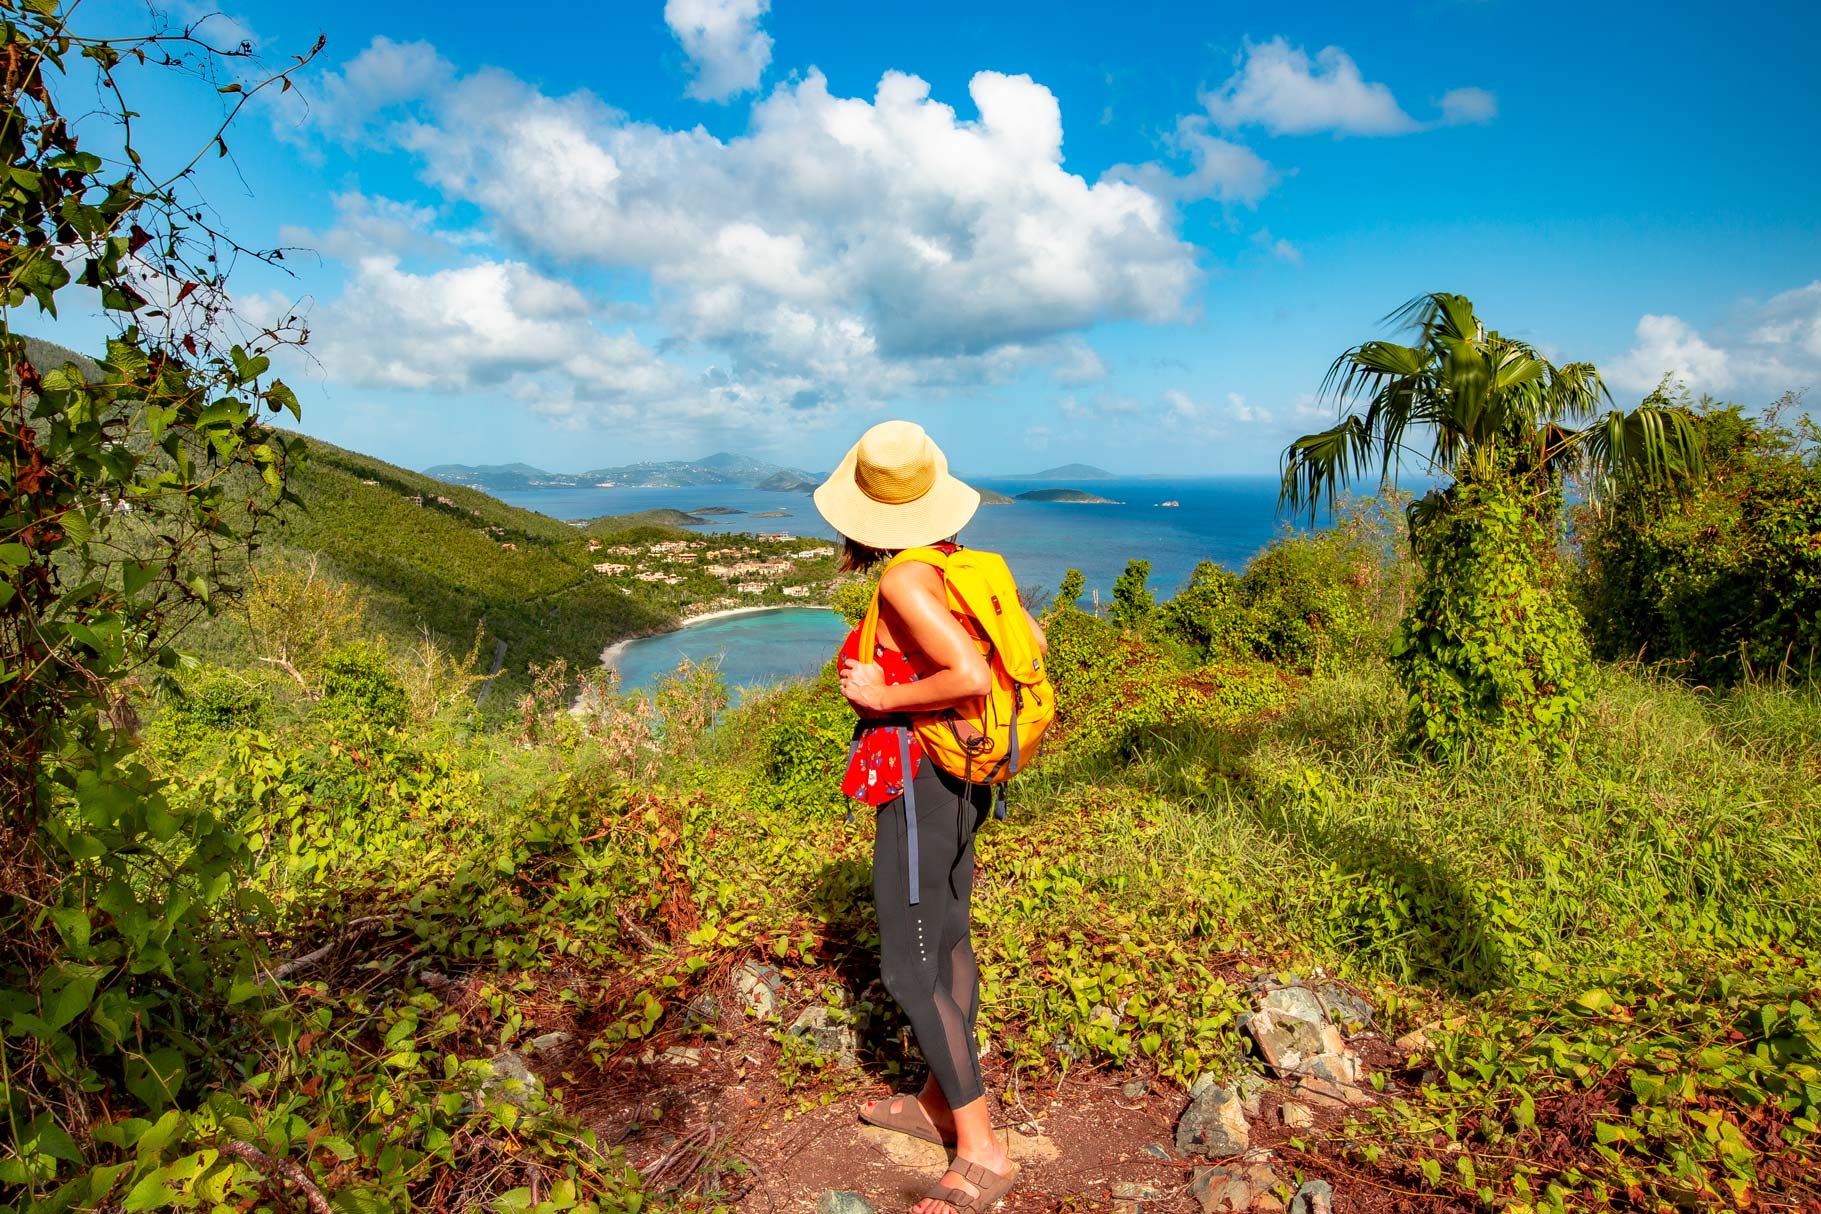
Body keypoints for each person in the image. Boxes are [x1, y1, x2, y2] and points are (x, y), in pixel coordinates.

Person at [812, 419, 1044, 1214]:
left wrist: (883, 696)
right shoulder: (969, 565)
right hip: (964, 771)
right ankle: (934, 1102)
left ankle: (981, 1152)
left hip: (919, 775)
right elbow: (1028, 642)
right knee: (945, 937)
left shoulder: (904, 581)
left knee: (907, 968)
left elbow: (971, 674)